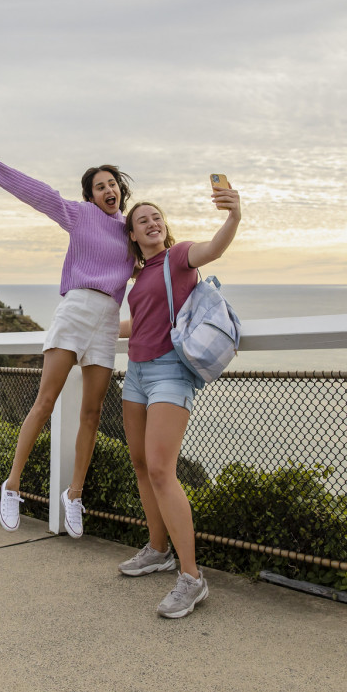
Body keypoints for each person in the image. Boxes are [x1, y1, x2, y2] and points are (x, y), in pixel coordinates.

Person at [0, 141, 135, 537]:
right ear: (90, 195)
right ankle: (12, 485)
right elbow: (40, 195)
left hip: (106, 322)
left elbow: (159, 258)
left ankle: (75, 495)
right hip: (76, 310)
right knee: (45, 400)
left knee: (92, 413)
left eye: (112, 184)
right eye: (100, 186)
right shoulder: (81, 215)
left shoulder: (130, 233)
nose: (108, 190)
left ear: (121, 189)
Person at [116, 183, 241, 618]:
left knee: (160, 469)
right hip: (135, 372)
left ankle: (192, 578)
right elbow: (145, 321)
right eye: (141, 220)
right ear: (131, 234)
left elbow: (215, 249)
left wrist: (234, 216)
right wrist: (98, 330)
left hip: (170, 371)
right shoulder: (141, 274)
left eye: (156, 218)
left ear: (164, 227)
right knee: (139, 464)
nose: (151, 223)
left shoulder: (178, 256)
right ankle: (157, 549)